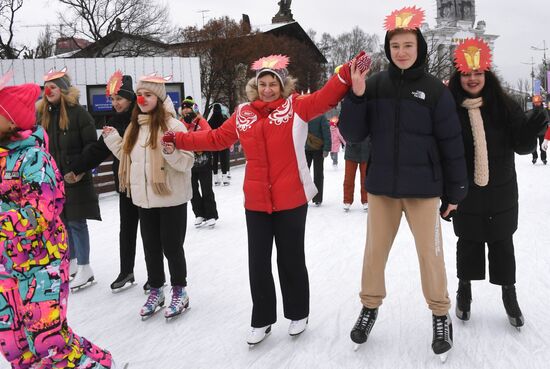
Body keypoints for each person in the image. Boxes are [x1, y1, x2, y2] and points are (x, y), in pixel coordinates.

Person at [163, 53, 369, 345]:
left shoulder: (295, 106)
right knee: (258, 262)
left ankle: (298, 312)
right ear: (255, 87)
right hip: (257, 201)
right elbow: (216, 139)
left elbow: (325, 99)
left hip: (291, 198)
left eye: (274, 83)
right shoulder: (243, 112)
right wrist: (179, 139)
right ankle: (262, 319)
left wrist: (345, 74)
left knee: (291, 259)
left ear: (283, 86)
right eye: (263, 84)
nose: (268, 89)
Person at [338, 7, 468, 359]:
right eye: (395, 46)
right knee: (374, 254)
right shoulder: (375, 85)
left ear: (419, 47)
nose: (401, 52)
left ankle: (441, 314)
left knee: (431, 256)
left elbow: (451, 143)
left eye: (408, 45)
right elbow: (352, 134)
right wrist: (357, 94)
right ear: (388, 49)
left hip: (424, 190)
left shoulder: (434, 91)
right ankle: (369, 308)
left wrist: (455, 190)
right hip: (382, 188)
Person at [0, 79, 112, 368]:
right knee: (13, 341)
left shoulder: (34, 158)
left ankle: (96, 364)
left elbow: (40, 212)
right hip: (5, 264)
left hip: (41, 260)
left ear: (12, 122)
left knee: (47, 338)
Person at [447, 38, 548, 329]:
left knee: (503, 244)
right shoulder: (450, 109)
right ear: (459, 77)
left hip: (502, 191)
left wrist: (534, 125)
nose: (473, 78)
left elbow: (522, 145)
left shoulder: (505, 106)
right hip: (466, 192)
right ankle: (464, 290)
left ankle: (509, 294)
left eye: (477, 73)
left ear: (486, 74)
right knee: (468, 243)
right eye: (466, 74)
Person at [102, 73, 194, 319]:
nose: (142, 99)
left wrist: (170, 153)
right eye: (140, 95)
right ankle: (156, 289)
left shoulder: (174, 126)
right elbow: (129, 158)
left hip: (171, 197)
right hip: (144, 199)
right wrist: (113, 139)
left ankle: (179, 291)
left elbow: (187, 162)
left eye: (148, 95)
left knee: (172, 248)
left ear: (159, 97)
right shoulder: (135, 127)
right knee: (151, 247)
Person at [64, 71, 142, 292]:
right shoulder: (115, 121)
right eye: (113, 99)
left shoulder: (142, 118)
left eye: (119, 99)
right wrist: (77, 169)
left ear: (130, 98)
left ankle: (157, 277)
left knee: (150, 231)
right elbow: (99, 150)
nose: (115, 103)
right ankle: (126, 271)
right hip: (126, 183)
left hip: (146, 184)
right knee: (126, 229)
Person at [37, 68, 101, 291]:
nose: (48, 91)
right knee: (62, 222)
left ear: (63, 89)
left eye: (53, 87)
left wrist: (80, 169)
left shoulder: (78, 113)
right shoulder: (43, 115)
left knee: (76, 222)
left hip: (75, 177)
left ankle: (85, 266)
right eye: (46, 87)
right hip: (53, 179)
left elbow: (91, 145)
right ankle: (72, 262)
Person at [180, 97, 219, 228]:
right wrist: (186, 122)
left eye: (188, 107)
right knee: (192, 190)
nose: (186, 110)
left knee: (206, 188)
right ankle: (199, 214)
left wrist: (197, 120)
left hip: (204, 160)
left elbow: (208, 134)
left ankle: (211, 214)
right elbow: (180, 134)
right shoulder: (180, 122)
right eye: (184, 108)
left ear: (193, 109)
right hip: (188, 161)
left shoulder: (201, 121)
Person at [305, 114, 331, 205]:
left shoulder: (304, 115)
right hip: (317, 149)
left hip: (306, 148)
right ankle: (317, 198)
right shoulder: (321, 116)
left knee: (304, 175)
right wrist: (326, 148)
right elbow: (326, 132)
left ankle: (304, 196)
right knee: (318, 174)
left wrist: (327, 148)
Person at [342, 137, 370, 212]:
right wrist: (350, 140)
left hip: (366, 151)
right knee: (349, 178)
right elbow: (344, 130)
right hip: (351, 151)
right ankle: (347, 200)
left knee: (366, 178)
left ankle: (366, 200)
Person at [208, 103, 231, 186]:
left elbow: (208, 131)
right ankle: (225, 178)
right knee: (223, 160)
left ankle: (216, 179)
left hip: (214, 143)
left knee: (214, 160)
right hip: (223, 142)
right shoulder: (224, 119)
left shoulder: (210, 120)